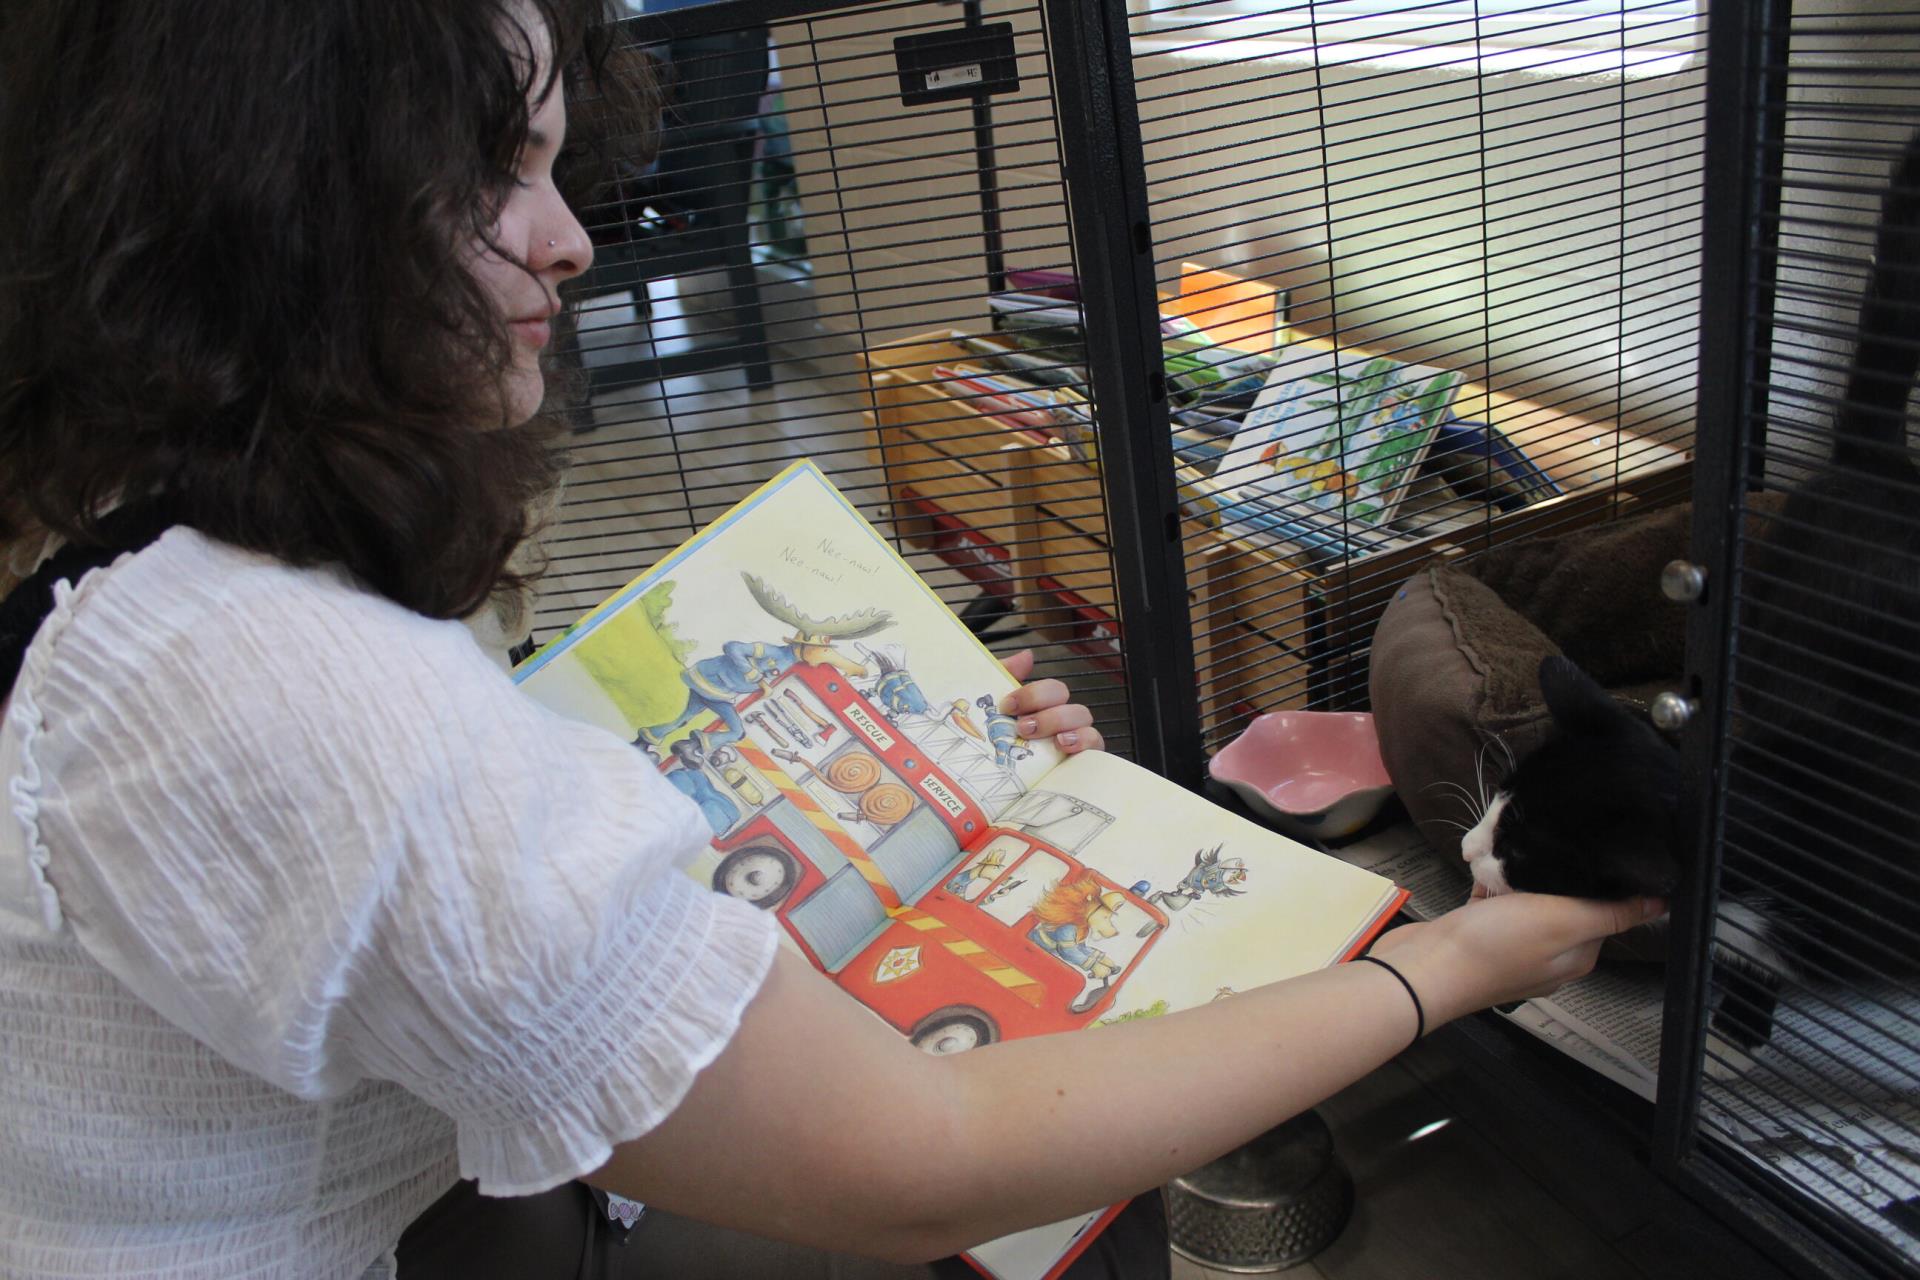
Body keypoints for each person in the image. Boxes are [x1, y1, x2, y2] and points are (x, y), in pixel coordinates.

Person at [0, 2, 1666, 1278]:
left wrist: (934, 784)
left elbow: (449, 883)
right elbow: (914, 1153)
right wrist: (1440, 966)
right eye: (492, 172)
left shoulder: (137, 536)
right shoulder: (281, 681)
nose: (571, 238)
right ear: (282, 205)